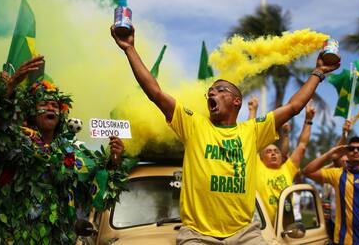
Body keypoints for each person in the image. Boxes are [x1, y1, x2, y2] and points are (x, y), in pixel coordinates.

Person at [110, 25, 339, 244]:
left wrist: (318, 72)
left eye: (220, 90)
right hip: (197, 235)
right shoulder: (193, 125)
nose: (212, 93)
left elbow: (293, 107)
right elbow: (156, 93)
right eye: (210, 92)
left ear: (236, 101)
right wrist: (129, 48)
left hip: (245, 234)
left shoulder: (253, 131)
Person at [0, 57, 135, 244]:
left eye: (55, 105)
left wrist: (114, 161)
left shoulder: (71, 152)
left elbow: (98, 188)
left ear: (61, 114)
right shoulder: (15, 141)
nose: (50, 107)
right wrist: (9, 88)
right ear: (32, 111)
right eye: (44, 103)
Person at [255, 100, 316, 225]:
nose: (273, 153)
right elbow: (251, 140)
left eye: (276, 151)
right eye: (269, 151)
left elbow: (302, 145)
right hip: (260, 228)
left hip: (285, 227)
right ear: (261, 157)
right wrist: (252, 111)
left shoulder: (287, 169)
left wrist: (308, 120)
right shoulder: (256, 165)